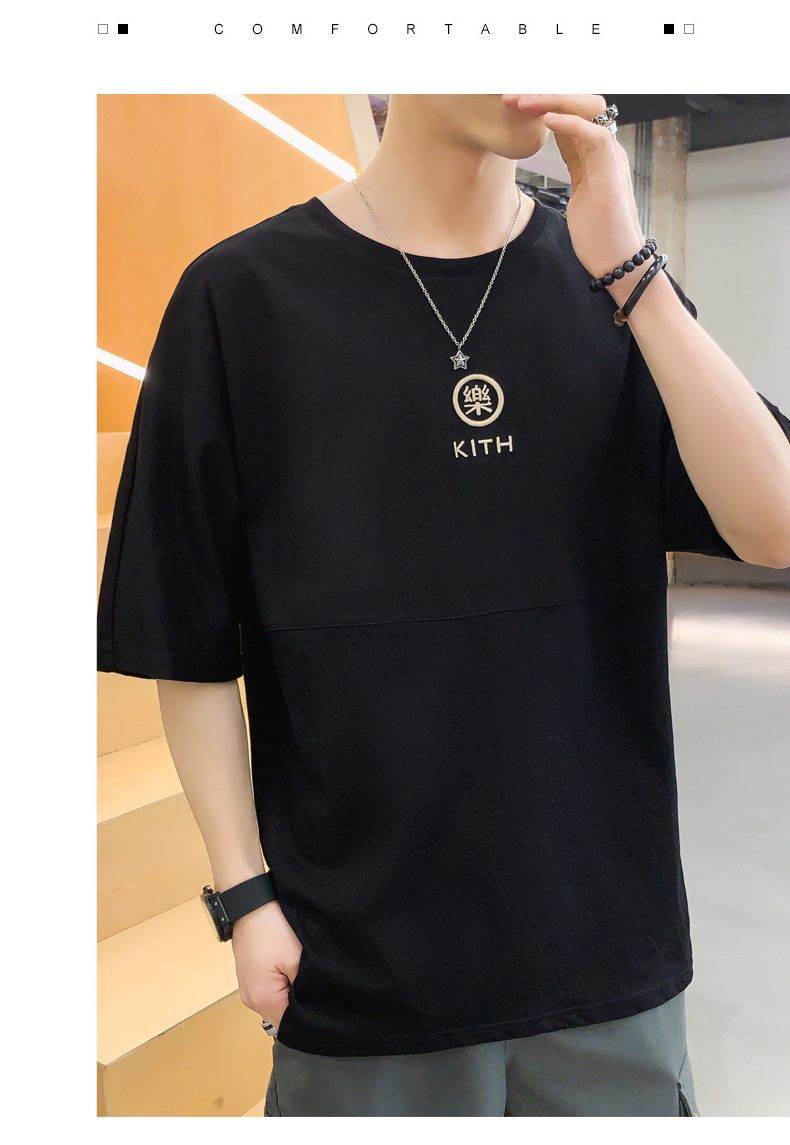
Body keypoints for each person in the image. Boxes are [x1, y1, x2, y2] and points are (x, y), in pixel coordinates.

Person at [97, 93, 790, 1116]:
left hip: (607, 956)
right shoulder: (240, 298)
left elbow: (775, 528)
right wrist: (244, 893)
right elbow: (188, 640)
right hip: (362, 970)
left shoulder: (611, 282)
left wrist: (634, 274)